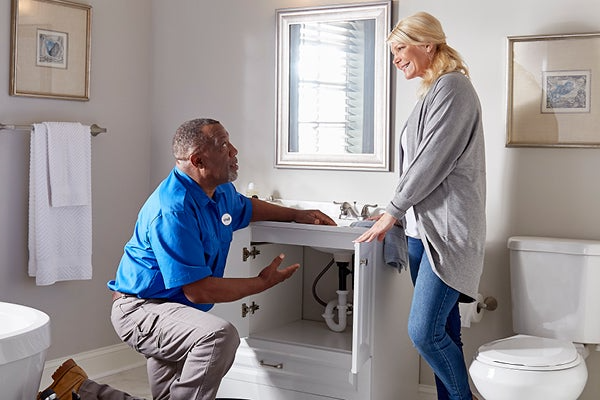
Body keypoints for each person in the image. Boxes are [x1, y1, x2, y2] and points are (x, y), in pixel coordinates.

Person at [39, 118, 335, 400]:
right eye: (222, 145)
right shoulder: (174, 209)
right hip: (142, 310)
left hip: (175, 310)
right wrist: (260, 283)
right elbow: (199, 290)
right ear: (198, 160)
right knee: (218, 336)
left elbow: (247, 207)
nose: (234, 151)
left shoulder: (219, 193)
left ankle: (78, 390)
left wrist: (297, 214)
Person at [354, 12, 486, 400]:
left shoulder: (454, 89)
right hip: (420, 234)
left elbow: (431, 161)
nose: (395, 59)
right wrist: (392, 212)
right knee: (445, 332)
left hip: (446, 235)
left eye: (400, 48)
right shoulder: (432, 93)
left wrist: (393, 209)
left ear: (427, 44)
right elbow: (418, 167)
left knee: (423, 331)